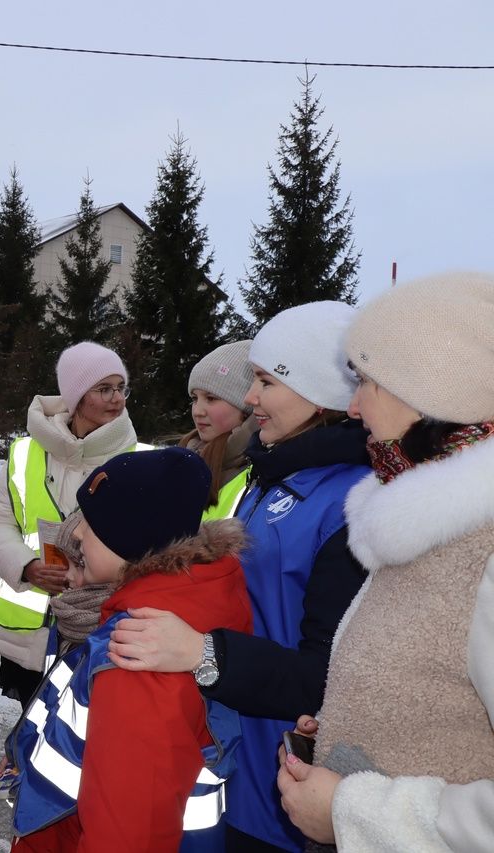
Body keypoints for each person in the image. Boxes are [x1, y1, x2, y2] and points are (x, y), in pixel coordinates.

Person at [107, 301, 371, 852]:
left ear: (322, 391)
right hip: (231, 765)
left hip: (284, 800)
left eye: (265, 381)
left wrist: (205, 654)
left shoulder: (353, 502)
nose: (249, 399)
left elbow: (334, 679)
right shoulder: (271, 473)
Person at [277, 273, 494, 851]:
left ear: (433, 395)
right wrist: (351, 733)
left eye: (366, 380)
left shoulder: (484, 551)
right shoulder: (427, 526)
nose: (350, 407)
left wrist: (355, 813)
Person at [7, 447, 253, 852]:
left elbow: (129, 831)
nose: (78, 534)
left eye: (92, 522)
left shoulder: (137, 653)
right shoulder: (170, 605)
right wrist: (25, 757)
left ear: (132, 539)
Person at [0, 341, 138, 709]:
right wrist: (27, 566)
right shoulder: (25, 452)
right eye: (104, 389)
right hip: (31, 634)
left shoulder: (138, 459)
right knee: (31, 734)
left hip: (100, 631)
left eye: (121, 388)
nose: (117, 398)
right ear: (77, 396)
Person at [179, 339, 258, 520]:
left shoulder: (259, 470)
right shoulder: (184, 454)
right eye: (194, 398)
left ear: (246, 407)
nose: (198, 411)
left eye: (211, 398)